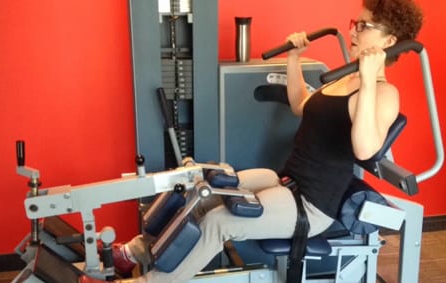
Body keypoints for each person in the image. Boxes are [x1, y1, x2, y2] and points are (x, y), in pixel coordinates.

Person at [84, 0, 423, 282]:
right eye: (355, 22)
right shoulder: (343, 79)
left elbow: (365, 147)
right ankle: (132, 254)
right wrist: (293, 56)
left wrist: (367, 78)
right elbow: (299, 105)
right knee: (200, 191)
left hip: (312, 204)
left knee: (219, 222)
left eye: (363, 27)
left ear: (389, 41)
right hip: (287, 179)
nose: (352, 30)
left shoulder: (383, 93)